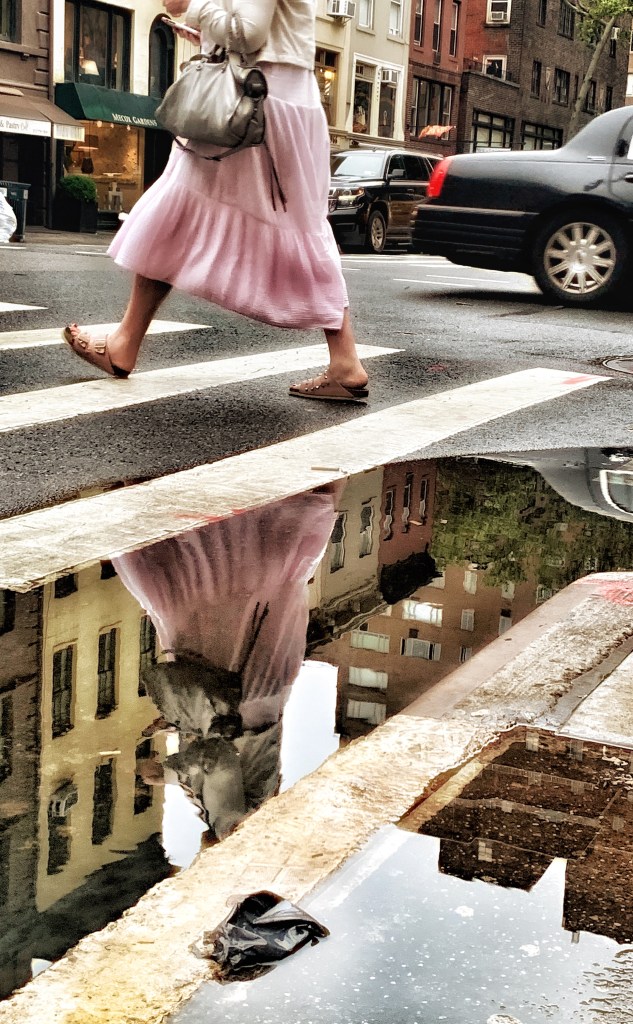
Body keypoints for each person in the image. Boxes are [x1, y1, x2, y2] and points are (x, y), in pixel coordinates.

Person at [62, 0, 369, 404]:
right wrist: (206, 31)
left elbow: (248, 32)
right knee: (299, 226)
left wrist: (193, 6)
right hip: (279, 98)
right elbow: (262, 32)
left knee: (178, 211)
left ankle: (125, 342)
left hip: (252, 105)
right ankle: (344, 359)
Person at [113, 483, 342, 840]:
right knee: (218, 593)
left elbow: (224, 762)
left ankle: (295, 487)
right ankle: (193, 493)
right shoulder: (230, 826)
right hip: (234, 686)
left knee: (263, 580)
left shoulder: (252, 816)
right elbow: (218, 760)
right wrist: (167, 771)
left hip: (260, 692)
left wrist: (176, 737)